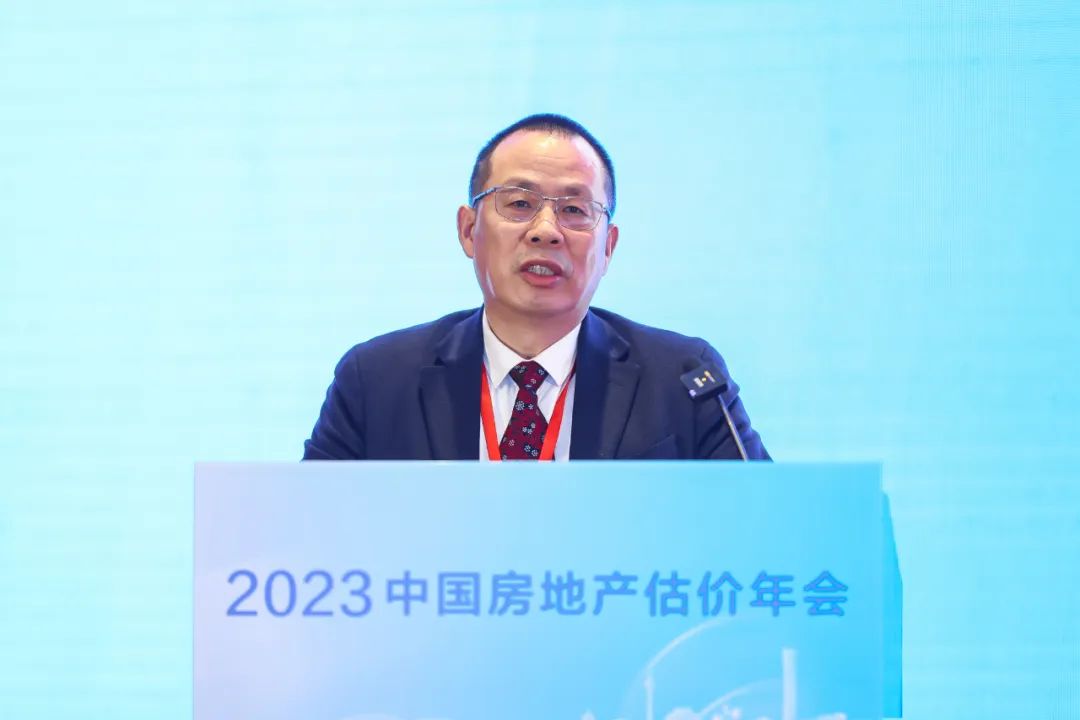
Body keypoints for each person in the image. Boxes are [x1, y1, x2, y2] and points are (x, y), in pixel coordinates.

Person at [304, 114, 768, 461]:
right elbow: (306, 536)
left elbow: (769, 528)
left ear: (608, 247)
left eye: (574, 210)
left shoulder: (685, 380)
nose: (546, 231)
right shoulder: (376, 380)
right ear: (468, 230)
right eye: (520, 203)